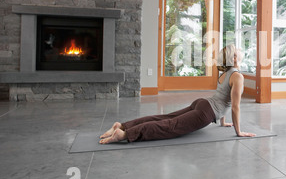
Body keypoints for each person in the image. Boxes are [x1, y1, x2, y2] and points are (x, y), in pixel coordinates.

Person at [99, 44, 256, 144]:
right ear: (234, 58)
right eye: (237, 51)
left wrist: (223, 122)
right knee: (169, 126)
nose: (240, 52)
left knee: (164, 118)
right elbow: (234, 106)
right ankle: (125, 134)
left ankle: (122, 125)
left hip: (203, 103)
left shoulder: (225, 72)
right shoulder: (238, 76)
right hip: (206, 112)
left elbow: (223, 98)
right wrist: (239, 132)